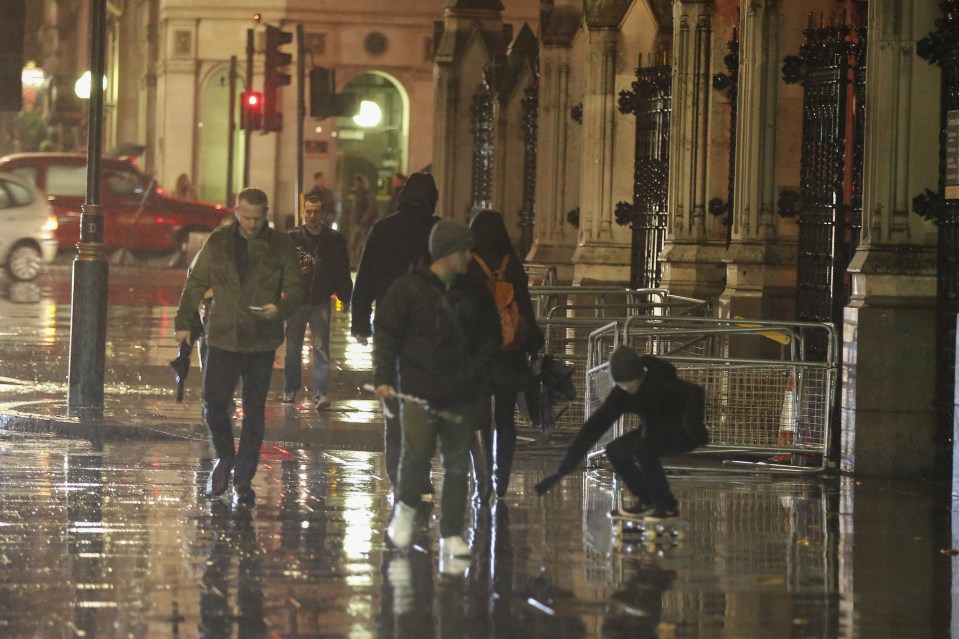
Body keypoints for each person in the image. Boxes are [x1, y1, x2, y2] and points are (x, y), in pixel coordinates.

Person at [373, 218, 501, 560]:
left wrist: (474, 374)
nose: (470, 258)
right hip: (417, 391)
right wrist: (383, 376)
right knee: (415, 457)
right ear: (447, 253)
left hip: (461, 393)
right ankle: (406, 510)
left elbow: (491, 337)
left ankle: (450, 534)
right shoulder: (408, 289)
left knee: (457, 463)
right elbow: (385, 333)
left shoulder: (474, 291)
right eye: (465, 251)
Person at [174, 187, 304, 507]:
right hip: (222, 337)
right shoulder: (218, 242)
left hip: (261, 340)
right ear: (236, 211)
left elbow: (297, 289)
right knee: (214, 405)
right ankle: (224, 457)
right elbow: (196, 283)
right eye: (246, 217)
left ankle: (244, 477)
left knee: (254, 411)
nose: (251, 223)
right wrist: (183, 324)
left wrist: (281, 309)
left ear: (267, 214)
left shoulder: (281, 245)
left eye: (258, 218)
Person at [535, 346, 709, 521]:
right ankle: (647, 501)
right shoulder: (621, 393)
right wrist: (563, 469)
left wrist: (693, 424)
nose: (628, 387)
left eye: (631, 382)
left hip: (683, 430)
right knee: (615, 450)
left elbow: (695, 392)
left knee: (644, 449)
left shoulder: (660, 381)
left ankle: (666, 506)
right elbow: (593, 427)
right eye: (623, 384)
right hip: (653, 429)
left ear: (640, 374)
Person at [352, 172, 440, 489]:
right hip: (429, 328)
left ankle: (396, 469)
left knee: (392, 393)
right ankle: (420, 469)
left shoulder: (383, 229)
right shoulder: (438, 231)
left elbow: (365, 277)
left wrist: (360, 321)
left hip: (390, 324)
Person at [467, 210, 543, 501]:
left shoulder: (469, 264)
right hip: (510, 353)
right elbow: (525, 308)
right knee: (506, 420)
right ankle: (502, 479)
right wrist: (533, 343)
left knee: (480, 420)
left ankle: (482, 478)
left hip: (479, 353)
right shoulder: (513, 266)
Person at [283, 194, 353, 410]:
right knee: (292, 348)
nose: (312, 216)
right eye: (308, 211)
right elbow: (280, 267)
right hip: (297, 301)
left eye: (316, 212)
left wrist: (345, 295)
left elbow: (341, 270)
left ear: (323, 214)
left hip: (321, 300)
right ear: (303, 213)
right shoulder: (292, 238)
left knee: (321, 347)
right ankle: (290, 388)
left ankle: (320, 392)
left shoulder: (333, 240)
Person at [348, 174, 378, 265]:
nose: (356, 184)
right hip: (357, 224)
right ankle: (354, 263)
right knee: (354, 244)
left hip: (364, 225)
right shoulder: (358, 194)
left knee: (361, 244)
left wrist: (362, 221)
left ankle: (358, 264)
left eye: (357, 183)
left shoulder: (367, 195)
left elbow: (370, 209)